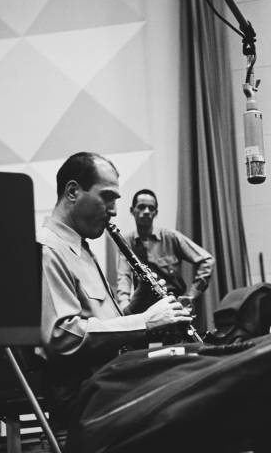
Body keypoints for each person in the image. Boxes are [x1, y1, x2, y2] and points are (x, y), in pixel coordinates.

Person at [38, 152, 193, 417]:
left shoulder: (81, 247)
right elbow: (60, 337)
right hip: (85, 391)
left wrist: (138, 307)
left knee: (193, 361)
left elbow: (101, 325)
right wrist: (146, 322)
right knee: (188, 386)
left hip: (110, 375)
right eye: (107, 197)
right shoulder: (49, 250)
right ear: (73, 191)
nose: (114, 210)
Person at [116, 188, 214, 313]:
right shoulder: (126, 242)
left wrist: (191, 296)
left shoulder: (170, 237)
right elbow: (123, 277)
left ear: (155, 213)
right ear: (132, 211)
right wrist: (125, 309)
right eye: (141, 207)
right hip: (144, 311)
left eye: (151, 208)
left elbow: (207, 260)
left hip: (172, 306)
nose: (146, 211)